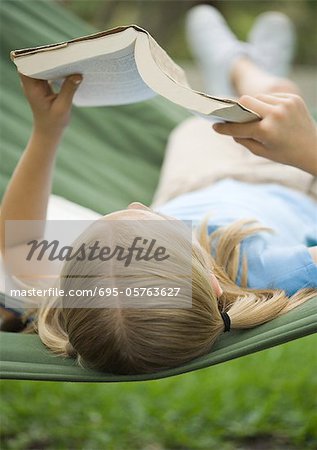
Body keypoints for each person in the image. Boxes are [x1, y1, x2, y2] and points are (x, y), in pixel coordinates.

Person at [0, 6, 316, 375]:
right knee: (279, 97)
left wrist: (47, 130)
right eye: (152, 218)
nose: (137, 202)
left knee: (195, 129)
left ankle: (229, 76)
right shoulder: (266, 268)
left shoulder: (85, 299)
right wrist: (308, 150)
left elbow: (17, 242)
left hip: (189, 177)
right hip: (284, 177)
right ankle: (238, 66)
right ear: (215, 286)